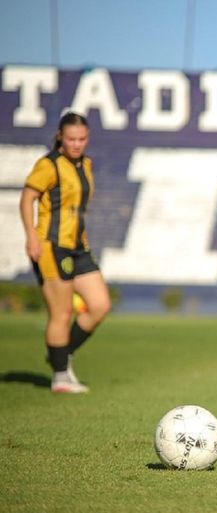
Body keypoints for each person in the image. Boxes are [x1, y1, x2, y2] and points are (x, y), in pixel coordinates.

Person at [19, 112, 111, 393]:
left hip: (78, 247)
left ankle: (59, 353)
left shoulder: (87, 164)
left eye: (82, 139)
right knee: (61, 313)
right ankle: (60, 376)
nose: (76, 144)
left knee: (99, 305)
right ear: (60, 136)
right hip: (51, 246)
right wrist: (31, 236)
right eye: (71, 139)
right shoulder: (48, 165)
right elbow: (27, 199)